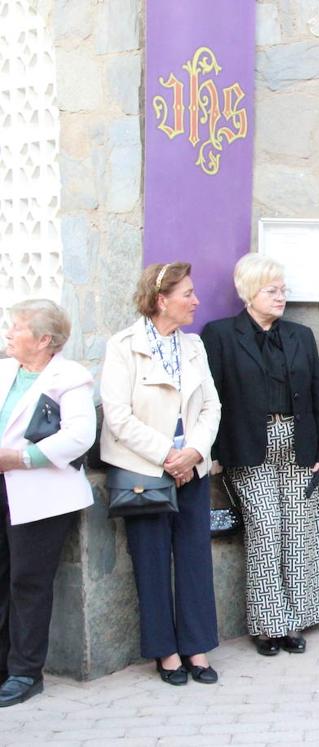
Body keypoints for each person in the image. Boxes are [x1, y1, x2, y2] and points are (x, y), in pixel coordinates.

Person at [201, 254, 319, 657]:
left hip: (299, 442)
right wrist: (213, 452)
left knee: (300, 531)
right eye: (272, 290)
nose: (281, 297)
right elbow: (211, 399)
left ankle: (294, 622)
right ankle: (269, 625)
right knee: (265, 529)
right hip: (248, 445)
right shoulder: (220, 335)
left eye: (283, 290)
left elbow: (318, 394)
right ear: (249, 293)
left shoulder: (300, 336)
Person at [100, 262, 222, 686]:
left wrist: (192, 453)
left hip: (191, 467)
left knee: (194, 559)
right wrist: (168, 455)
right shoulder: (122, 346)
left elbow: (211, 406)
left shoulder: (193, 346)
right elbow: (118, 416)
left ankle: (196, 646)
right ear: (160, 300)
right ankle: (166, 653)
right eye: (187, 293)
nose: (196, 301)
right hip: (144, 471)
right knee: (150, 561)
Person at [0, 300, 95, 706]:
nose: (8, 332)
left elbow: (79, 435)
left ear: (43, 339)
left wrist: (20, 458)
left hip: (39, 493)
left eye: (16, 327)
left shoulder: (69, 375)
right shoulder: (4, 369)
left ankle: (25, 672)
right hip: (2, 487)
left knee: (28, 582)